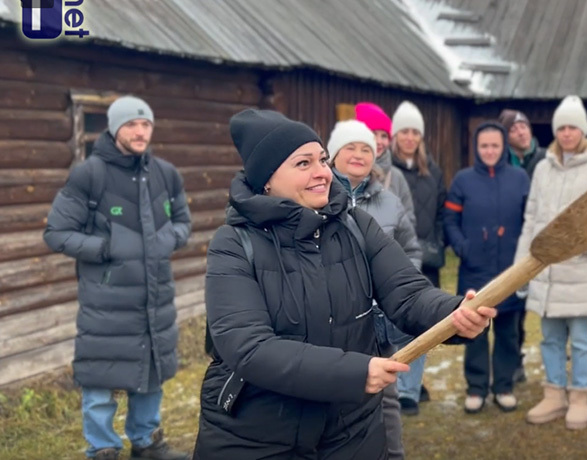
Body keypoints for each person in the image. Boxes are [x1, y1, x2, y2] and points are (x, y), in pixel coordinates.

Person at [193, 109, 495, 459]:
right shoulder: (232, 243)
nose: (322, 172)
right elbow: (248, 347)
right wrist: (355, 372)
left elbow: (409, 294)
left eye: (321, 159)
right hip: (258, 434)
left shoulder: (355, 226)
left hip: (351, 428)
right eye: (303, 164)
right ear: (267, 180)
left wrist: (454, 313)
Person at [43, 96, 191, 460]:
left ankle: (146, 444)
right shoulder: (89, 174)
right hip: (106, 299)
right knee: (100, 379)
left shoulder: (165, 174)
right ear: (114, 128)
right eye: (131, 124)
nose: (140, 132)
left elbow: (183, 223)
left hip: (155, 296)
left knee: (151, 373)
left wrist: (165, 241)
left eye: (146, 124)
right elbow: (57, 233)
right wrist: (106, 248)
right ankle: (103, 449)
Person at [518, 95, 587, 430]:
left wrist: (586, 247)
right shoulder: (543, 167)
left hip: (580, 269)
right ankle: (554, 393)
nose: (567, 133)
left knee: (583, 339)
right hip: (546, 269)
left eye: (572, 127)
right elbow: (531, 218)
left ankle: (578, 397)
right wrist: (521, 266)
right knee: (550, 337)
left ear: (582, 130)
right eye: (561, 127)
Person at [328, 119, 420, 457]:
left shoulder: (389, 201)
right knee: (339, 395)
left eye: (365, 148)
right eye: (350, 147)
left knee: (386, 397)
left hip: (377, 321)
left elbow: (410, 249)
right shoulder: (316, 196)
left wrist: (395, 285)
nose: (358, 154)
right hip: (333, 320)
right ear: (333, 153)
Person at [444, 122, 531, 413]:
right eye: (484, 146)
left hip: (510, 270)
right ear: (476, 148)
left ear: (503, 147)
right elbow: (450, 222)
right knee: (474, 331)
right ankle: (476, 387)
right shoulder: (463, 180)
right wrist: (462, 247)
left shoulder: (519, 178)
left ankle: (504, 386)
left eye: (495, 145)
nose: (490, 151)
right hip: (474, 269)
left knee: (508, 332)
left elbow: (530, 220)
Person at [389, 100, 447, 413]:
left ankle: (412, 385)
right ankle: (397, 385)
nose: (409, 138)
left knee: (421, 322)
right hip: (395, 257)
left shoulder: (432, 172)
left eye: (415, 132)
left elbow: (440, 212)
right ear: (395, 135)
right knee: (393, 319)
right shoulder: (387, 172)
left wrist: (437, 242)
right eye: (404, 132)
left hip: (427, 258)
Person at [499, 108, 545, 385]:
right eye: (514, 129)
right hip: (508, 242)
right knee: (513, 306)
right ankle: (513, 360)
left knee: (533, 303)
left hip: (536, 240)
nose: (521, 131)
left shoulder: (543, 160)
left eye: (524, 126)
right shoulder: (502, 162)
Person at [355, 102, 416, 229]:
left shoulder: (396, 176)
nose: (379, 141)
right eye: (373, 134)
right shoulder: (345, 172)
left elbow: (408, 221)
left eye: (384, 136)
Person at [500, 109, 547, 178]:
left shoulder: (546, 157)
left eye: (523, 127)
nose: (521, 133)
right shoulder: (501, 162)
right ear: (506, 138)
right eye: (513, 130)